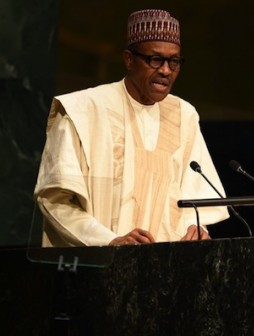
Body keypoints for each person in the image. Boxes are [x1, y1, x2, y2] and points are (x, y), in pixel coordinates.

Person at [33, 9, 229, 247]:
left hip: (168, 269)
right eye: (155, 59)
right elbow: (55, 201)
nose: (166, 70)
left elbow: (193, 201)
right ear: (129, 59)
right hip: (98, 266)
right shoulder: (82, 110)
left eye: (174, 61)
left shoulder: (184, 115)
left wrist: (196, 228)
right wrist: (110, 240)